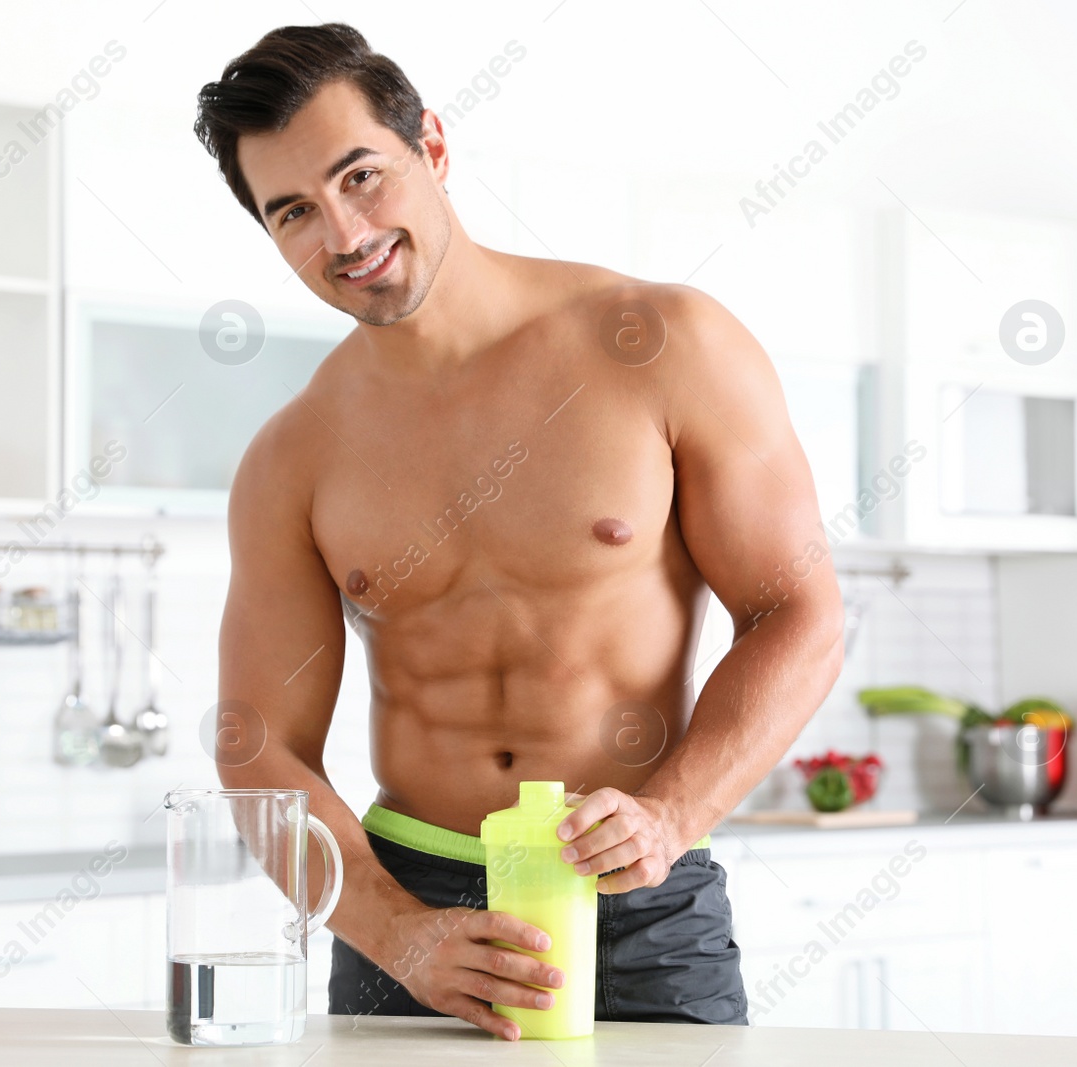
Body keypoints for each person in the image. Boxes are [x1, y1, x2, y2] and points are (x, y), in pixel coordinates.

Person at [194, 22, 844, 1039]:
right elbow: (259, 745)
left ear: (434, 147)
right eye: (293, 212)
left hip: (637, 889)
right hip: (406, 909)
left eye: (361, 175)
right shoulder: (293, 456)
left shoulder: (663, 346)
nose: (345, 232)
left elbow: (798, 611)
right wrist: (395, 929)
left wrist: (671, 814)